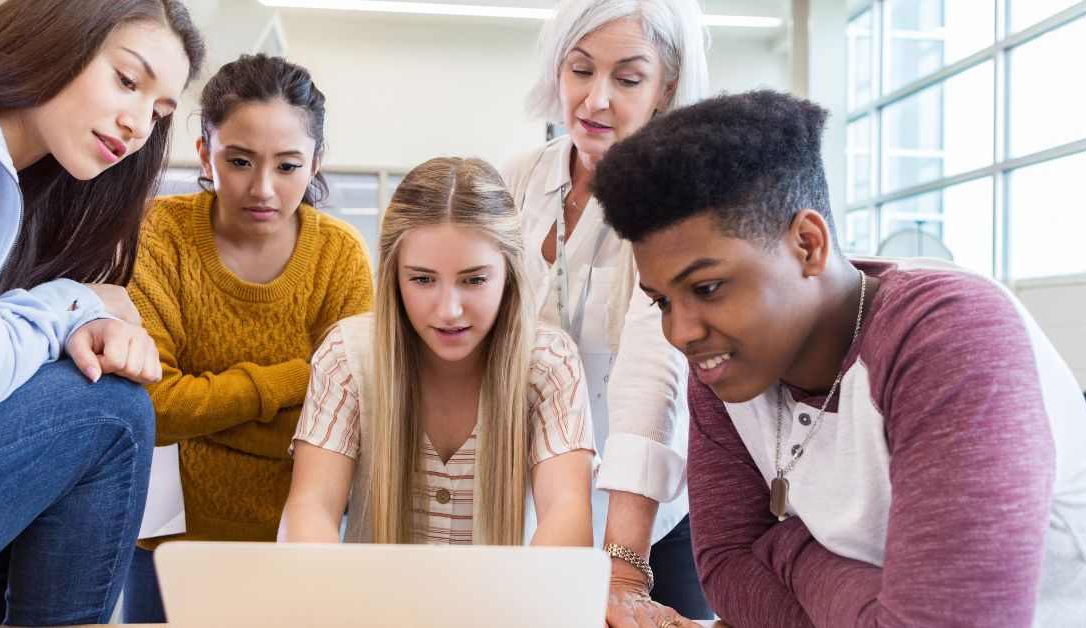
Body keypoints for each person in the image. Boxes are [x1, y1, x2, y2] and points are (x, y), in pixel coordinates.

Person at [594, 90, 1086, 627]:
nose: (681, 332)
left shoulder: (950, 334)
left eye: (709, 287)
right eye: (663, 301)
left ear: (808, 244)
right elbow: (727, 571)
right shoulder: (722, 364)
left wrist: (787, 550)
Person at [0, 1, 205, 624]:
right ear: (56, 35)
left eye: (158, 112)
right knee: (110, 413)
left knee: (86, 394)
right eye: (127, 80)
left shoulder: (10, 193)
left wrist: (71, 315)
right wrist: (76, 303)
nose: (139, 125)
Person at [121, 54, 374, 623]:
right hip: (167, 545)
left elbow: (348, 420)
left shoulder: (339, 256)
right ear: (205, 151)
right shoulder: (158, 235)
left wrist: (206, 420)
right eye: (239, 161)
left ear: (315, 164)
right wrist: (295, 380)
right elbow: (153, 411)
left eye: (287, 166)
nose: (263, 188)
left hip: (298, 539)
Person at [500, 0, 711, 621]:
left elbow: (653, 378)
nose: (595, 100)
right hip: (536, 498)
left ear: (664, 88)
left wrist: (623, 569)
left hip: (648, 517)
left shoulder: (679, 200)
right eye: (581, 70)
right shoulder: (516, 180)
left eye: (627, 78)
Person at [278, 157, 596, 549]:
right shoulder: (346, 356)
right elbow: (311, 507)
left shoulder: (550, 363)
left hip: (507, 608)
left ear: (509, 273)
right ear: (394, 274)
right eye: (423, 279)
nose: (448, 310)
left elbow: (567, 510)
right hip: (370, 607)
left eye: (474, 280)